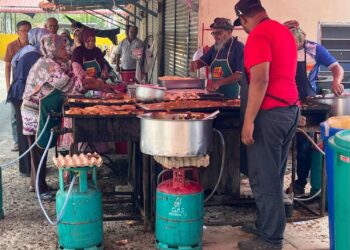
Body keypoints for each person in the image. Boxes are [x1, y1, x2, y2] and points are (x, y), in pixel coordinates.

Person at [234, 0, 300, 249]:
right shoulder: (282, 31)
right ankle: (266, 225)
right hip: (289, 110)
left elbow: (260, 80)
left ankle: (271, 240)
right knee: (273, 175)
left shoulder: (258, 35)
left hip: (270, 114)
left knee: (264, 179)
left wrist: (248, 121)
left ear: (243, 19)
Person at [22, 34, 113, 200]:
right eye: (63, 48)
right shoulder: (47, 65)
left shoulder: (60, 63)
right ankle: (39, 188)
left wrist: (96, 82)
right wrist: (101, 85)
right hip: (34, 110)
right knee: (37, 150)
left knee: (41, 148)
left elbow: (77, 78)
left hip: (46, 109)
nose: (67, 50)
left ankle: (40, 185)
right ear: (52, 49)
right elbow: (71, 86)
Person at [283, 20, 344, 195]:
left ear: (303, 40)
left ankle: (300, 184)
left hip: (307, 104)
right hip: (284, 101)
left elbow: (336, 67)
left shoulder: (314, 49)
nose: (294, 48)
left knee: (303, 145)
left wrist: (336, 80)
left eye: (297, 45)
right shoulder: (281, 48)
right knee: (281, 143)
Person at [7, 28, 49, 178]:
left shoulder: (28, 49)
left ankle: (29, 169)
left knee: (25, 132)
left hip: (20, 90)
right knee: (26, 133)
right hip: (21, 93)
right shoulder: (33, 53)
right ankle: (28, 169)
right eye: (45, 39)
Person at [190, 17, 244, 98]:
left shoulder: (238, 47)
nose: (215, 36)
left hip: (233, 97)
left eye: (218, 33)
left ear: (229, 32)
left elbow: (239, 75)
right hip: (216, 95)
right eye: (214, 33)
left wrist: (219, 83)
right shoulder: (215, 48)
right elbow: (202, 62)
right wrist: (195, 64)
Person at [4, 20, 32, 152]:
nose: (26, 34)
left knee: (30, 114)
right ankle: (17, 142)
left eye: (28, 31)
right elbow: (8, 66)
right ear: (17, 32)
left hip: (31, 85)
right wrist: (8, 84)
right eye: (23, 31)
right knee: (15, 115)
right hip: (17, 85)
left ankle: (30, 140)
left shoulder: (34, 45)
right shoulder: (12, 46)